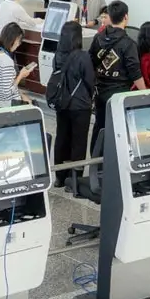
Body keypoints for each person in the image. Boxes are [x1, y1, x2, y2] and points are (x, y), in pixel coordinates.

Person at [89, 0, 146, 151]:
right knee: (116, 130)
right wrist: (145, 92)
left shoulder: (98, 37)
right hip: (118, 93)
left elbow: (91, 61)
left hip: (99, 90)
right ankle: (110, 160)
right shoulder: (128, 44)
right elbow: (135, 73)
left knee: (99, 124)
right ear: (126, 17)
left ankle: (95, 156)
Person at [52, 21, 95, 188]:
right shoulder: (83, 56)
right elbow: (90, 81)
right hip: (80, 106)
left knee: (62, 138)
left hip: (62, 103)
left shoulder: (58, 55)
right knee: (79, 142)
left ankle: (59, 177)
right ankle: (74, 180)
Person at [0, 22, 32, 107]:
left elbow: (4, 83)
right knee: (32, 104)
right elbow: (8, 92)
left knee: (26, 97)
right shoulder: (7, 60)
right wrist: (21, 75)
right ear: (15, 39)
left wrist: (20, 94)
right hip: (10, 104)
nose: (19, 44)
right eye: (19, 41)